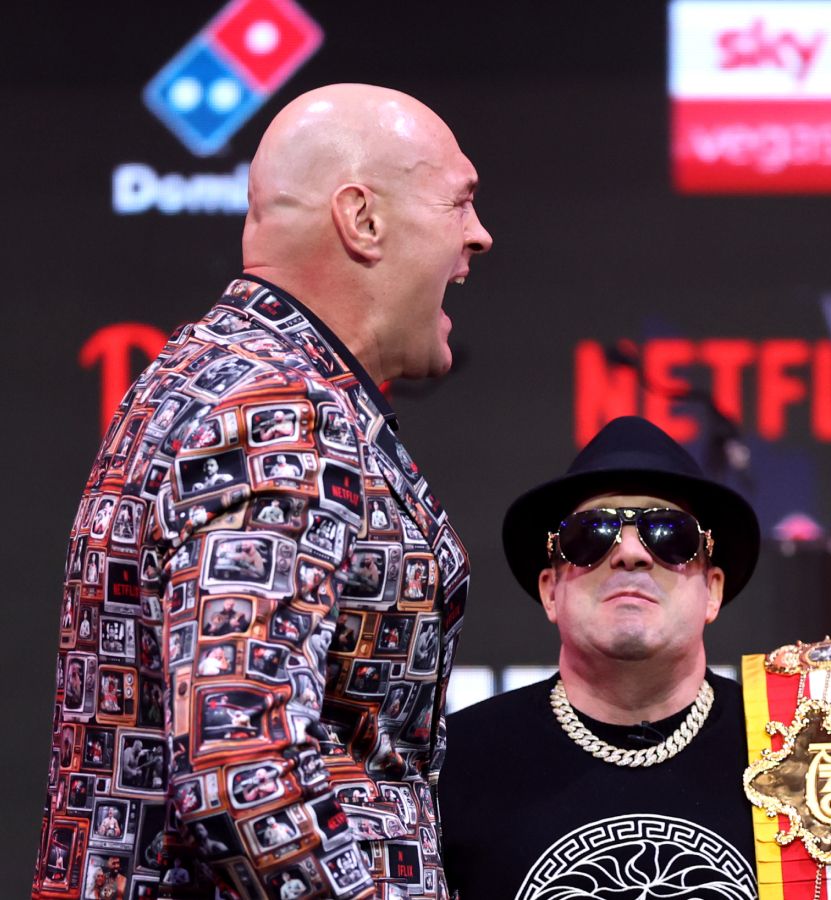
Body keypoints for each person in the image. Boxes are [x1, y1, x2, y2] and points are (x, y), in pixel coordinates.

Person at [35, 83, 490, 898]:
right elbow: (242, 770)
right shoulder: (274, 410)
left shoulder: (208, 373)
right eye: (460, 202)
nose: (479, 235)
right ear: (363, 220)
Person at [439, 416, 761, 899]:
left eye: (668, 532)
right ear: (550, 591)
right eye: (590, 534)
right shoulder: (454, 764)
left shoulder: (788, 752)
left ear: (713, 590)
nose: (630, 552)